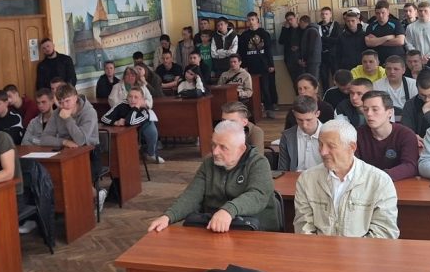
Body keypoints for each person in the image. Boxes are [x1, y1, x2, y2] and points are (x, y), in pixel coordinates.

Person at [148, 120, 278, 233]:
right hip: (214, 227)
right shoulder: (208, 164)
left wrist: (228, 210)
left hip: (254, 228)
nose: (215, 152)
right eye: (214, 145)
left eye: (223, 147)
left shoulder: (258, 163)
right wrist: (168, 216)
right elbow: (192, 196)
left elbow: (257, 194)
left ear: (241, 149)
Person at [292, 119, 399, 238]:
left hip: (363, 249)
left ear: (352, 147)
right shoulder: (307, 179)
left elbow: (384, 232)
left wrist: (351, 250)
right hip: (318, 248)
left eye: (331, 146)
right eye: (320, 144)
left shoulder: (380, 182)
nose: (323, 152)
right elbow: (304, 227)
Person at [355, 91, 419, 181]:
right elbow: (351, 164)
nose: (369, 114)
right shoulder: (357, 134)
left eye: (375, 109)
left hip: (397, 184)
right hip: (364, 183)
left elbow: (410, 166)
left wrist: (380, 176)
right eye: (365, 109)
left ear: (390, 112)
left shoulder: (406, 135)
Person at [101, 88, 163, 163]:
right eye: (130, 96)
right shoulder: (122, 104)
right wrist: (115, 122)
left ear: (142, 99)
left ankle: (151, 154)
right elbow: (103, 118)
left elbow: (129, 122)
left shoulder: (144, 111)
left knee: (152, 131)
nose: (132, 99)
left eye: (136, 97)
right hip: (122, 133)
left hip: (140, 131)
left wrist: (136, 108)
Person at [239, 11, 278, 116]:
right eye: (249, 20)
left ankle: (269, 108)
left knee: (265, 87)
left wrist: (271, 64)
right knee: (253, 88)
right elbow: (242, 52)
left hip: (263, 65)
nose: (251, 22)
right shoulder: (244, 35)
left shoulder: (264, 34)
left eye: (253, 19)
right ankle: (256, 110)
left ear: (257, 20)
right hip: (250, 66)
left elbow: (268, 50)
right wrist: (243, 66)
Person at [401, 69, 430, 145]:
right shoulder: (410, 104)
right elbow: (405, 132)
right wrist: (412, 137)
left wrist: (427, 111)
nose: (427, 100)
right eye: (422, 95)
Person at [278, 96, 324, 172]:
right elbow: (283, 170)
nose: (304, 125)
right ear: (294, 114)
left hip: (322, 177)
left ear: (317, 113)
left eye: (308, 120)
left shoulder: (331, 135)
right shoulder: (287, 136)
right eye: (299, 120)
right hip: (294, 178)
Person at [319, 6, 343, 90]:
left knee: (336, 77)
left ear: (330, 15)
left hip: (334, 55)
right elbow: (318, 41)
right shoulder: (318, 26)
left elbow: (337, 40)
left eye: (326, 14)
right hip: (322, 56)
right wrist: (329, 40)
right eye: (322, 14)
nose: (324, 16)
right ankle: (326, 95)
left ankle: (337, 94)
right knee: (324, 78)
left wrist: (323, 39)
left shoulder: (335, 25)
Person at [279, 12, 303, 87]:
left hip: (300, 58)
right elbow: (281, 41)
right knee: (294, 81)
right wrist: (285, 28)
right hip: (289, 58)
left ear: (295, 18)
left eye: (291, 19)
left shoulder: (301, 29)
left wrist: (298, 47)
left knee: (303, 80)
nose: (289, 21)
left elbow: (306, 43)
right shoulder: (287, 30)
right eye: (287, 20)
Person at [298, 14, 322, 80]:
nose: (299, 25)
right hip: (311, 59)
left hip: (313, 60)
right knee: (311, 79)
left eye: (300, 23)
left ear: (302, 22)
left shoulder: (312, 30)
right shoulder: (309, 30)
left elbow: (311, 47)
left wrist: (305, 60)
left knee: (313, 79)